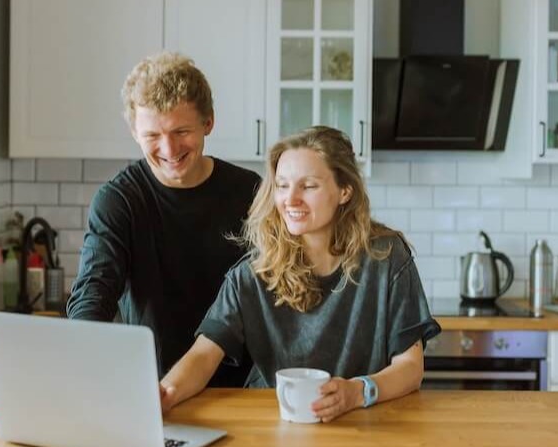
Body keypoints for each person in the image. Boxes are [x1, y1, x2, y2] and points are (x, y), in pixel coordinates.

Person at [159, 126, 441, 422]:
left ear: (345, 190)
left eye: (308, 186)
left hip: (363, 424)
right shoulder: (254, 273)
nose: (290, 200)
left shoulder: (386, 258)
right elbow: (203, 355)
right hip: (276, 426)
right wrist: (165, 393)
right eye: (282, 185)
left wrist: (357, 392)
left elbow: (411, 367)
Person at [66, 51, 260, 387]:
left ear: (208, 122)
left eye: (181, 131)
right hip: (151, 388)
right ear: (134, 131)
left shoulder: (251, 193)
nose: (169, 150)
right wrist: (82, 351)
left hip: (241, 389)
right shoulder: (118, 201)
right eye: (153, 136)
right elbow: (94, 290)